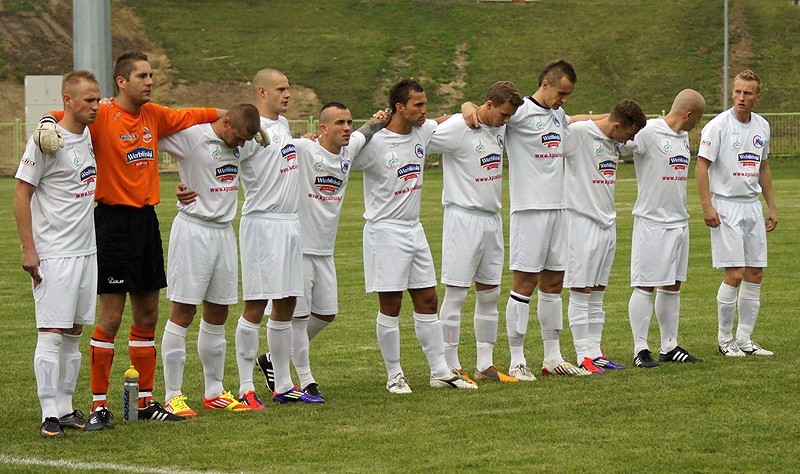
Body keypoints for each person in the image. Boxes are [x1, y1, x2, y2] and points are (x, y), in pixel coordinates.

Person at [34, 50, 223, 428]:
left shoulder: (154, 115)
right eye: (142, 76)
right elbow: (63, 115)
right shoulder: (101, 113)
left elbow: (199, 114)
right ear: (122, 81)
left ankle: (145, 401)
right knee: (111, 316)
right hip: (111, 222)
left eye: (151, 75)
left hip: (146, 221)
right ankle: (99, 404)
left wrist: (241, 116)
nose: (149, 82)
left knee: (149, 313)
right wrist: (44, 121)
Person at [462, 60, 600, 378]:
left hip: (558, 208)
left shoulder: (558, 114)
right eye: (562, 92)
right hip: (529, 209)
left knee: (554, 283)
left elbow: (572, 121)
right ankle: (517, 359)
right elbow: (482, 115)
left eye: (568, 95)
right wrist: (467, 103)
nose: (564, 99)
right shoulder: (520, 112)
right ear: (545, 83)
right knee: (525, 284)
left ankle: (552, 357)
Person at [255, 102, 388, 400]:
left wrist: (378, 121)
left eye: (349, 122)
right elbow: (267, 147)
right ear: (322, 128)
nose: (347, 128)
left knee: (327, 314)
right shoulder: (304, 149)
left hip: (325, 251)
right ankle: (306, 381)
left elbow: (364, 134)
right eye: (339, 123)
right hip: (298, 248)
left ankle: (272, 359)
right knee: (298, 319)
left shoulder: (348, 150)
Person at [353, 78, 476, 394]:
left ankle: (439, 371)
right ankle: (394, 374)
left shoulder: (423, 131)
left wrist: (467, 107)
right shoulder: (375, 143)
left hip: (414, 229)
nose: (424, 111)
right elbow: (341, 157)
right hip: (385, 231)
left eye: (425, 104)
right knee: (391, 305)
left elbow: (451, 120)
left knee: (428, 299)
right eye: (418, 105)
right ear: (399, 108)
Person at [156, 104, 262, 417]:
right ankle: (172, 395)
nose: (240, 145)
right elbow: (146, 141)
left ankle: (213, 391)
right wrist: (169, 186)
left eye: (246, 140)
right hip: (193, 229)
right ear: (225, 122)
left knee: (218, 312)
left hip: (224, 232)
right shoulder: (192, 136)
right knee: (183, 311)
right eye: (238, 137)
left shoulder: (245, 139)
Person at [15, 71, 100, 437]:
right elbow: (21, 194)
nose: (95, 106)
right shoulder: (45, 140)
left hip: (86, 251)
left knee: (74, 333)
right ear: (68, 100)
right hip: (54, 253)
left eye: (97, 99)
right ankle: (48, 414)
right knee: (51, 332)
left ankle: (65, 407)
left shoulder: (89, 133)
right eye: (88, 101)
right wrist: (29, 250)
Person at [233, 68, 324, 405]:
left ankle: (284, 385)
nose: (288, 94)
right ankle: (245, 388)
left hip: (289, 223)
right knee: (256, 303)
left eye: (289, 88)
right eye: (281, 89)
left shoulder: (282, 126)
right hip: (262, 223)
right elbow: (226, 157)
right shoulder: (249, 128)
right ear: (261, 91)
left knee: (285, 302)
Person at [426, 81, 523, 383]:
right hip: (463, 217)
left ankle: (485, 363)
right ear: (490, 105)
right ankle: (450, 363)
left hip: (492, 219)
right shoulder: (459, 126)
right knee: (456, 293)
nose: (507, 121)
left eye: (510, 117)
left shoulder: (500, 126)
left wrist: (469, 105)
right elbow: (421, 139)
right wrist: (462, 110)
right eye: (504, 115)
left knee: (490, 293)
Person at [622, 89, 706, 368]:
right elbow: (620, 144)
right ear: (689, 114)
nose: (698, 124)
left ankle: (669, 346)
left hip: (679, 221)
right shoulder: (649, 131)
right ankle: (640, 348)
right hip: (651, 221)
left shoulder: (683, 138)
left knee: (672, 285)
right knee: (645, 285)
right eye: (699, 118)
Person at [696, 69, 777, 357]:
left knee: (755, 272)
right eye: (738, 91)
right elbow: (702, 166)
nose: (741, 97)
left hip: (751, 205)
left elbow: (763, 167)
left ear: (758, 96)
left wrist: (771, 206)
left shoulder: (762, 126)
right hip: (726, 206)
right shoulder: (718, 126)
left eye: (747, 93)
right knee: (735, 273)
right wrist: (707, 205)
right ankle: (724, 339)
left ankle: (745, 339)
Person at [563, 100, 647, 374]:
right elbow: (560, 123)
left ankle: (595, 352)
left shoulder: (614, 140)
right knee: (581, 289)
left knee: (598, 291)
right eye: (630, 133)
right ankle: (581, 356)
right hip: (581, 221)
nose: (631, 141)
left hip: (607, 222)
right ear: (618, 125)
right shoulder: (577, 134)